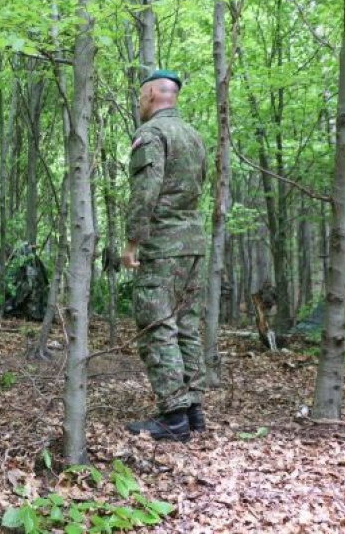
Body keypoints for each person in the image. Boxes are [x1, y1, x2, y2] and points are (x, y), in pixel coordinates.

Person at [121, 70, 208, 442]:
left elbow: (146, 191)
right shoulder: (194, 136)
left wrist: (132, 242)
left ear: (153, 94)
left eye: (141, 96)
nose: (139, 103)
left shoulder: (152, 134)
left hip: (162, 247)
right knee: (186, 325)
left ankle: (173, 416)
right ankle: (193, 410)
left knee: (157, 327)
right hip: (193, 245)